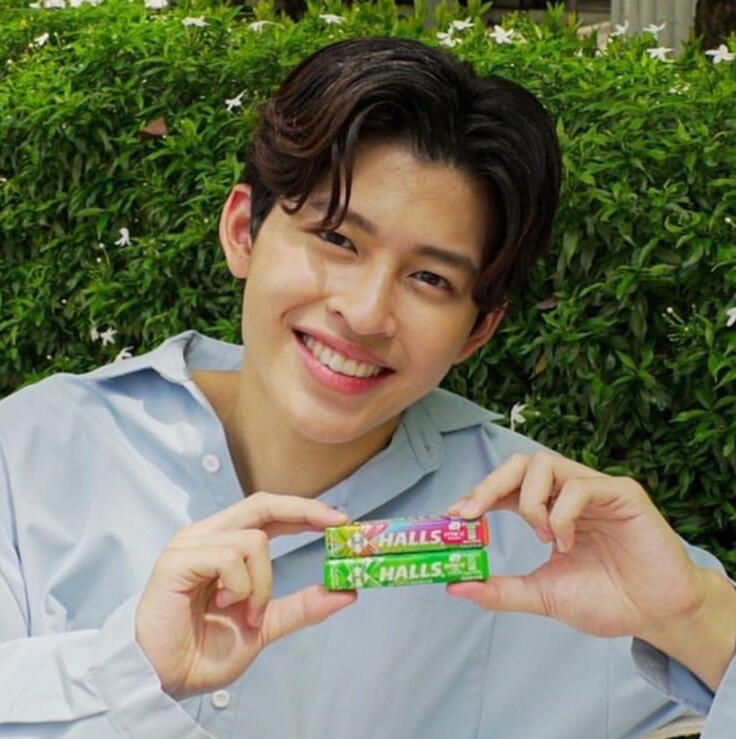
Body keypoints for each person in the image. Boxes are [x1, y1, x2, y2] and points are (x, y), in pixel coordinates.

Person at [0, 36, 734, 739]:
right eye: (337, 239)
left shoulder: (545, 539)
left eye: (430, 279)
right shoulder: (32, 456)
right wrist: (127, 673)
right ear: (243, 230)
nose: (365, 313)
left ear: (476, 331)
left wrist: (694, 614)